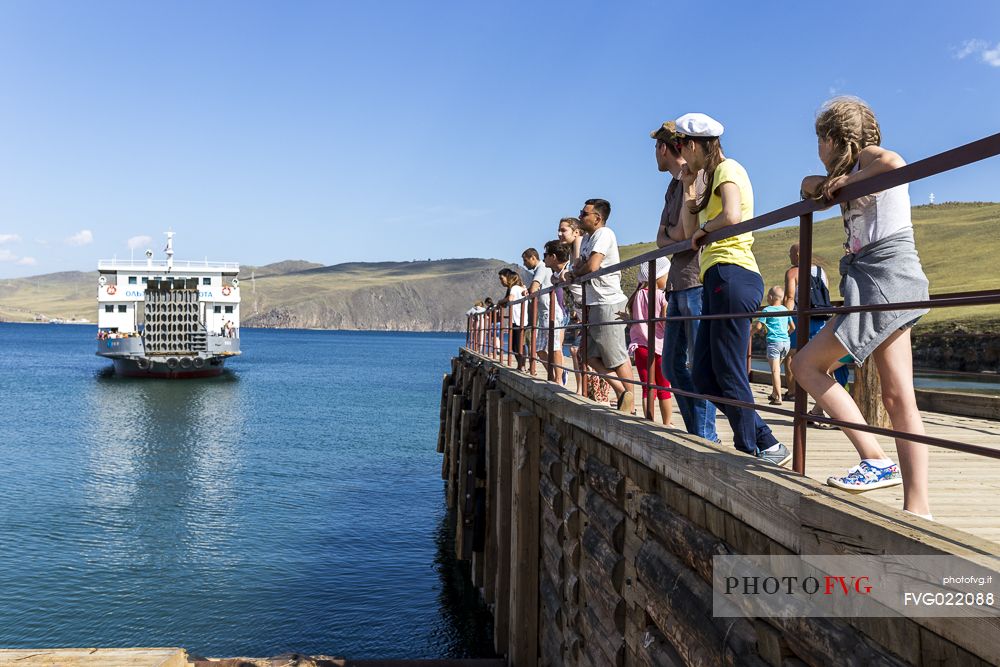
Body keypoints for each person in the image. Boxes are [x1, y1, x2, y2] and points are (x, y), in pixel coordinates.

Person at [792, 96, 931, 518]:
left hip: (885, 272)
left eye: (820, 141)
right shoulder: (847, 172)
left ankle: (879, 462)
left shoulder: (868, 159)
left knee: (807, 365)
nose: (818, 150)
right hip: (874, 277)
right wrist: (827, 183)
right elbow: (806, 184)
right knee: (895, 393)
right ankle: (915, 504)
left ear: (833, 138)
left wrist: (844, 183)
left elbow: (893, 162)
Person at [676, 112, 790, 466]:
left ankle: (750, 451)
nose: (680, 153)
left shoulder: (729, 169)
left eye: (681, 146)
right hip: (717, 276)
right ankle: (765, 441)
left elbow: (733, 214)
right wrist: (687, 186)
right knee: (704, 375)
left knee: (728, 369)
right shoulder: (706, 179)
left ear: (693, 144)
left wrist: (704, 229)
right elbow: (685, 231)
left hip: (733, 273)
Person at [652, 120, 719, 443]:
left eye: (656, 147)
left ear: (664, 148)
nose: (655, 153)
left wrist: (670, 235)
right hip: (678, 283)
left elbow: (681, 234)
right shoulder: (673, 186)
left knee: (698, 363)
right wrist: (670, 235)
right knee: (672, 366)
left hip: (694, 279)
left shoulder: (696, 179)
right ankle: (698, 432)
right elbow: (661, 237)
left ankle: (706, 436)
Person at [571, 198, 635, 413]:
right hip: (594, 301)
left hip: (607, 301)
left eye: (584, 213)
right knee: (587, 355)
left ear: (597, 218)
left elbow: (591, 265)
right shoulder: (588, 238)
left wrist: (576, 272)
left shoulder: (604, 234)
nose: (580, 216)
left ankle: (631, 403)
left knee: (616, 356)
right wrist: (578, 268)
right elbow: (579, 263)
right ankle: (621, 392)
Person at [626, 257, 673, 425]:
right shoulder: (662, 296)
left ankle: (649, 419)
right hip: (659, 347)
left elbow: (633, 318)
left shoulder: (636, 295)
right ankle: (668, 422)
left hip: (639, 347)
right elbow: (664, 321)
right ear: (658, 276)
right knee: (664, 388)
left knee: (648, 387)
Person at [523, 246, 562, 379]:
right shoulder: (538, 270)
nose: (524, 264)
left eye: (525, 260)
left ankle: (559, 378)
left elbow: (534, 287)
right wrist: (528, 291)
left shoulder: (542, 267)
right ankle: (552, 374)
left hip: (551, 312)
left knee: (554, 346)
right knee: (539, 349)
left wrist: (530, 291)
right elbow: (534, 288)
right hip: (543, 314)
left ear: (533, 258)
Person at [754, 286, 794, 405]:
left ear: (770, 297)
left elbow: (758, 327)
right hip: (786, 343)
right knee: (776, 368)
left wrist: (750, 334)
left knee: (775, 370)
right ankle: (773, 393)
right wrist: (785, 334)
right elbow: (793, 327)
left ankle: (778, 398)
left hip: (774, 343)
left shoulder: (767, 310)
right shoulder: (786, 310)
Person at [540, 239, 572, 385]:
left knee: (555, 345)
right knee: (542, 348)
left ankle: (559, 378)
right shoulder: (555, 273)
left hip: (559, 311)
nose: (543, 258)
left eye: (545, 254)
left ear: (553, 257)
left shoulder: (569, 269)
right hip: (560, 310)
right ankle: (556, 375)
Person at [497, 268, 527, 371]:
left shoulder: (514, 288)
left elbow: (510, 299)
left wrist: (500, 301)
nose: (501, 281)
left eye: (502, 278)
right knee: (518, 345)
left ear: (509, 278)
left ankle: (522, 366)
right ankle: (522, 365)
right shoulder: (521, 288)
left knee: (517, 345)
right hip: (521, 320)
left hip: (518, 320)